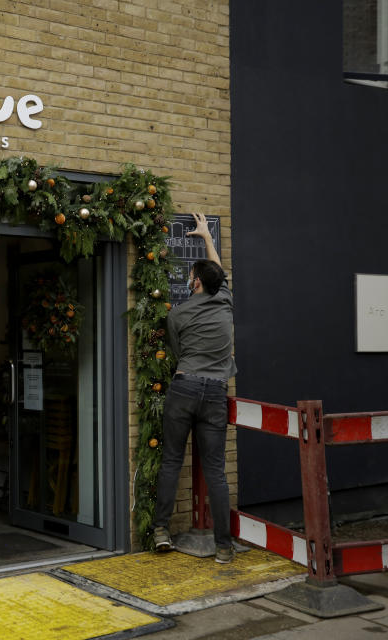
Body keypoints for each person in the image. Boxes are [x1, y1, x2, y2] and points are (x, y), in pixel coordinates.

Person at [152, 212, 237, 564]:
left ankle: (160, 531)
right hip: (216, 392)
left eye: (191, 278)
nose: (188, 281)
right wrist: (206, 237)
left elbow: (175, 352)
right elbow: (218, 271)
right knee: (216, 470)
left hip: (185, 387)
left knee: (171, 460)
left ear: (196, 284)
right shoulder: (226, 301)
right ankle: (224, 547)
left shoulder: (178, 316)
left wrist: (203, 239)